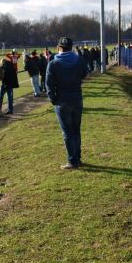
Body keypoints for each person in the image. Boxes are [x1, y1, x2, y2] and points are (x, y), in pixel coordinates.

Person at [46, 37, 88, 170]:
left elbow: (49, 84)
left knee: (67, 132)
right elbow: (84, 73)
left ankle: (72, 161)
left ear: (59, 48)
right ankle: (77, 158)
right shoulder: (79, 60)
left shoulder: (53, 63)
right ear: (71, 47)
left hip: (62, 100)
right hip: (76, 98)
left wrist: (53, 99)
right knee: (76, 130)